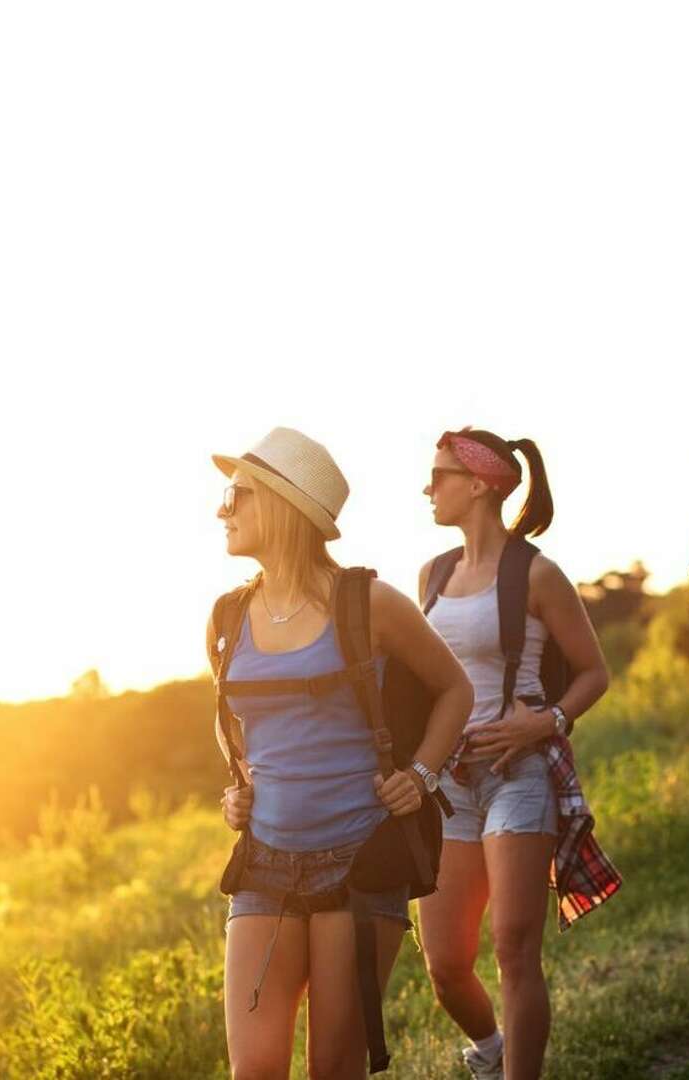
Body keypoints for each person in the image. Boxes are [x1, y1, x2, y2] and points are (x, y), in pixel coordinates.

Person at [210, 426, 473, 1080]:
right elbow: (231, 720)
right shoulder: (226, 618)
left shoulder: (370, 604)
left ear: (280, 504)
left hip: (360, 862)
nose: (223, 509)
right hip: (265, 862)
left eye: (236, 495)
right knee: (256, 1068)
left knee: (334, 1067)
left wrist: (421, 773)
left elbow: (454, 690)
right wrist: (238, 782)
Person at [415, 428, 617, 1080]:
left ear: (479, 484)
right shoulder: (433, 574)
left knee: (512, 948)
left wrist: (547, 722)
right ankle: (493, 1051)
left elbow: (593, 673)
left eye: (440, 475)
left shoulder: (538, 573)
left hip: (518, 777)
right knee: (445, 963)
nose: (428, 487)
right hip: (449, 784)